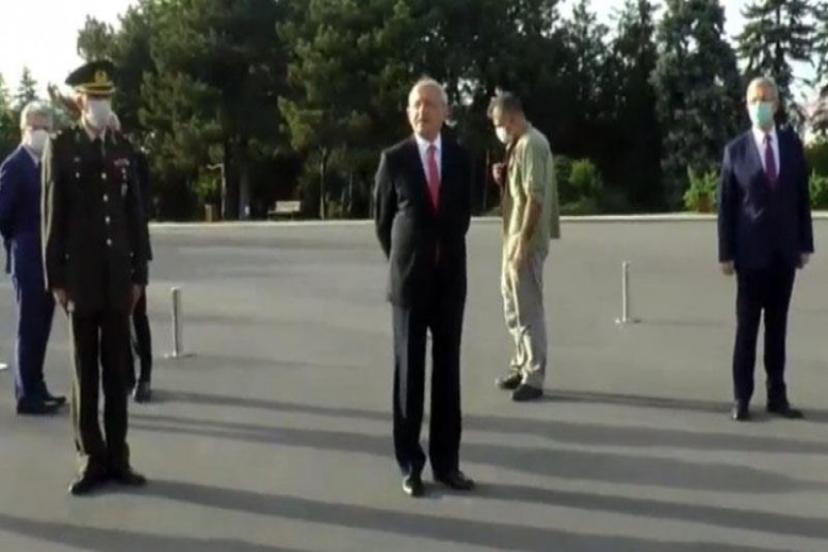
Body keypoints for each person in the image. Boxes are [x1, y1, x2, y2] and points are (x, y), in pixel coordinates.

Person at [42, 60, 149, 495]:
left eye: (107, 98)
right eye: (95, 98)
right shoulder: (63, 147)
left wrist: (140, 271)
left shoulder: (122, 147)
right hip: (81, 278)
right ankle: (90, 457)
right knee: (84, 374)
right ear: (80, 101)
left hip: (118, 277)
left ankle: (119, 456)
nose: (102, 105)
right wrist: (55, 277)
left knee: (117, 371)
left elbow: (134, 213)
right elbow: (52, 215)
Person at [374, 77, 474, 498]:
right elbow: (383, 223)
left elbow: (464, 215)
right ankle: (410, 465)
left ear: (445, 112)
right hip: (409, 286)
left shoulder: (461, 157)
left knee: (447, 375)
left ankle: (447, 465)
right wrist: (407, 259)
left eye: (430, 104)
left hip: (449, 283)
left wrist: (439, 255)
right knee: (409, 376)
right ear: (408, 112)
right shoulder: (394, 159)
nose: (422, 111)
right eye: (416, 104)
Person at [718, 76, 814, 422]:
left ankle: (777, 395)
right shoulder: (736, 151)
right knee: (747, 329)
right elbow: (726, 206)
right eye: (754, 100)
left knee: (777, 329)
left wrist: (805, 243)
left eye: (766, 99)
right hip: (749, 256)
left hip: (784, 253)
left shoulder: (790, 146)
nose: (761, 105)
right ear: (747, 106)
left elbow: (801, 197)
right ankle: (741, 397)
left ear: (776, 104)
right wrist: (726, 253)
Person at [488, 93, 560, 402]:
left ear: (513, 117)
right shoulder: (517, 145)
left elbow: (535, 197)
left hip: (524, 240)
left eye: (500, 123)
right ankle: (520, 363)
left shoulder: (532, 144)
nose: (499, 130)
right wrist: (502, 178)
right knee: (513, 305)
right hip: (513, 236)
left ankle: (534, 375)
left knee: (528, 307)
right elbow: (519, 190)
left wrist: (523, 243)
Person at [0, 101, 66, 415]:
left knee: (42, 327)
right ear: (24, 129)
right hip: (26, 256)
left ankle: (38, 386)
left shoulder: (46, 164)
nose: (41, 133)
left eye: (46, 127)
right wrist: (18, 241)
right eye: (35, 127)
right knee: (29, 327)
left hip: (48, 259)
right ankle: (26, 394)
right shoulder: (14, 166)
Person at [108, 113, 154, 403]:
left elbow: (141, 206)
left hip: (132, 249)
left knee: (137, 314)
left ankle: (144, 375)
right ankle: (124, 373)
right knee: (115, 318)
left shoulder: (135, 159)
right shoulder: (94, 160)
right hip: (107, 253)